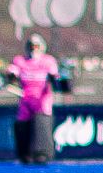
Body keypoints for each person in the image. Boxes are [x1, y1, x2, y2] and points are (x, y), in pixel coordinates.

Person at [5, 33, 63, 165]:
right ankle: (24, 154)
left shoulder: (48, 61)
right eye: (31, 46)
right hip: (25, 100)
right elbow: (12, 72)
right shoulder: (20, 61)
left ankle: (42, 153)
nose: (34, 49)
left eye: (36, 46)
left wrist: (56, 79)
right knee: (22, 125)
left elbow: (55, 76)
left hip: (42, 101)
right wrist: (10, 76)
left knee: (41, 125)